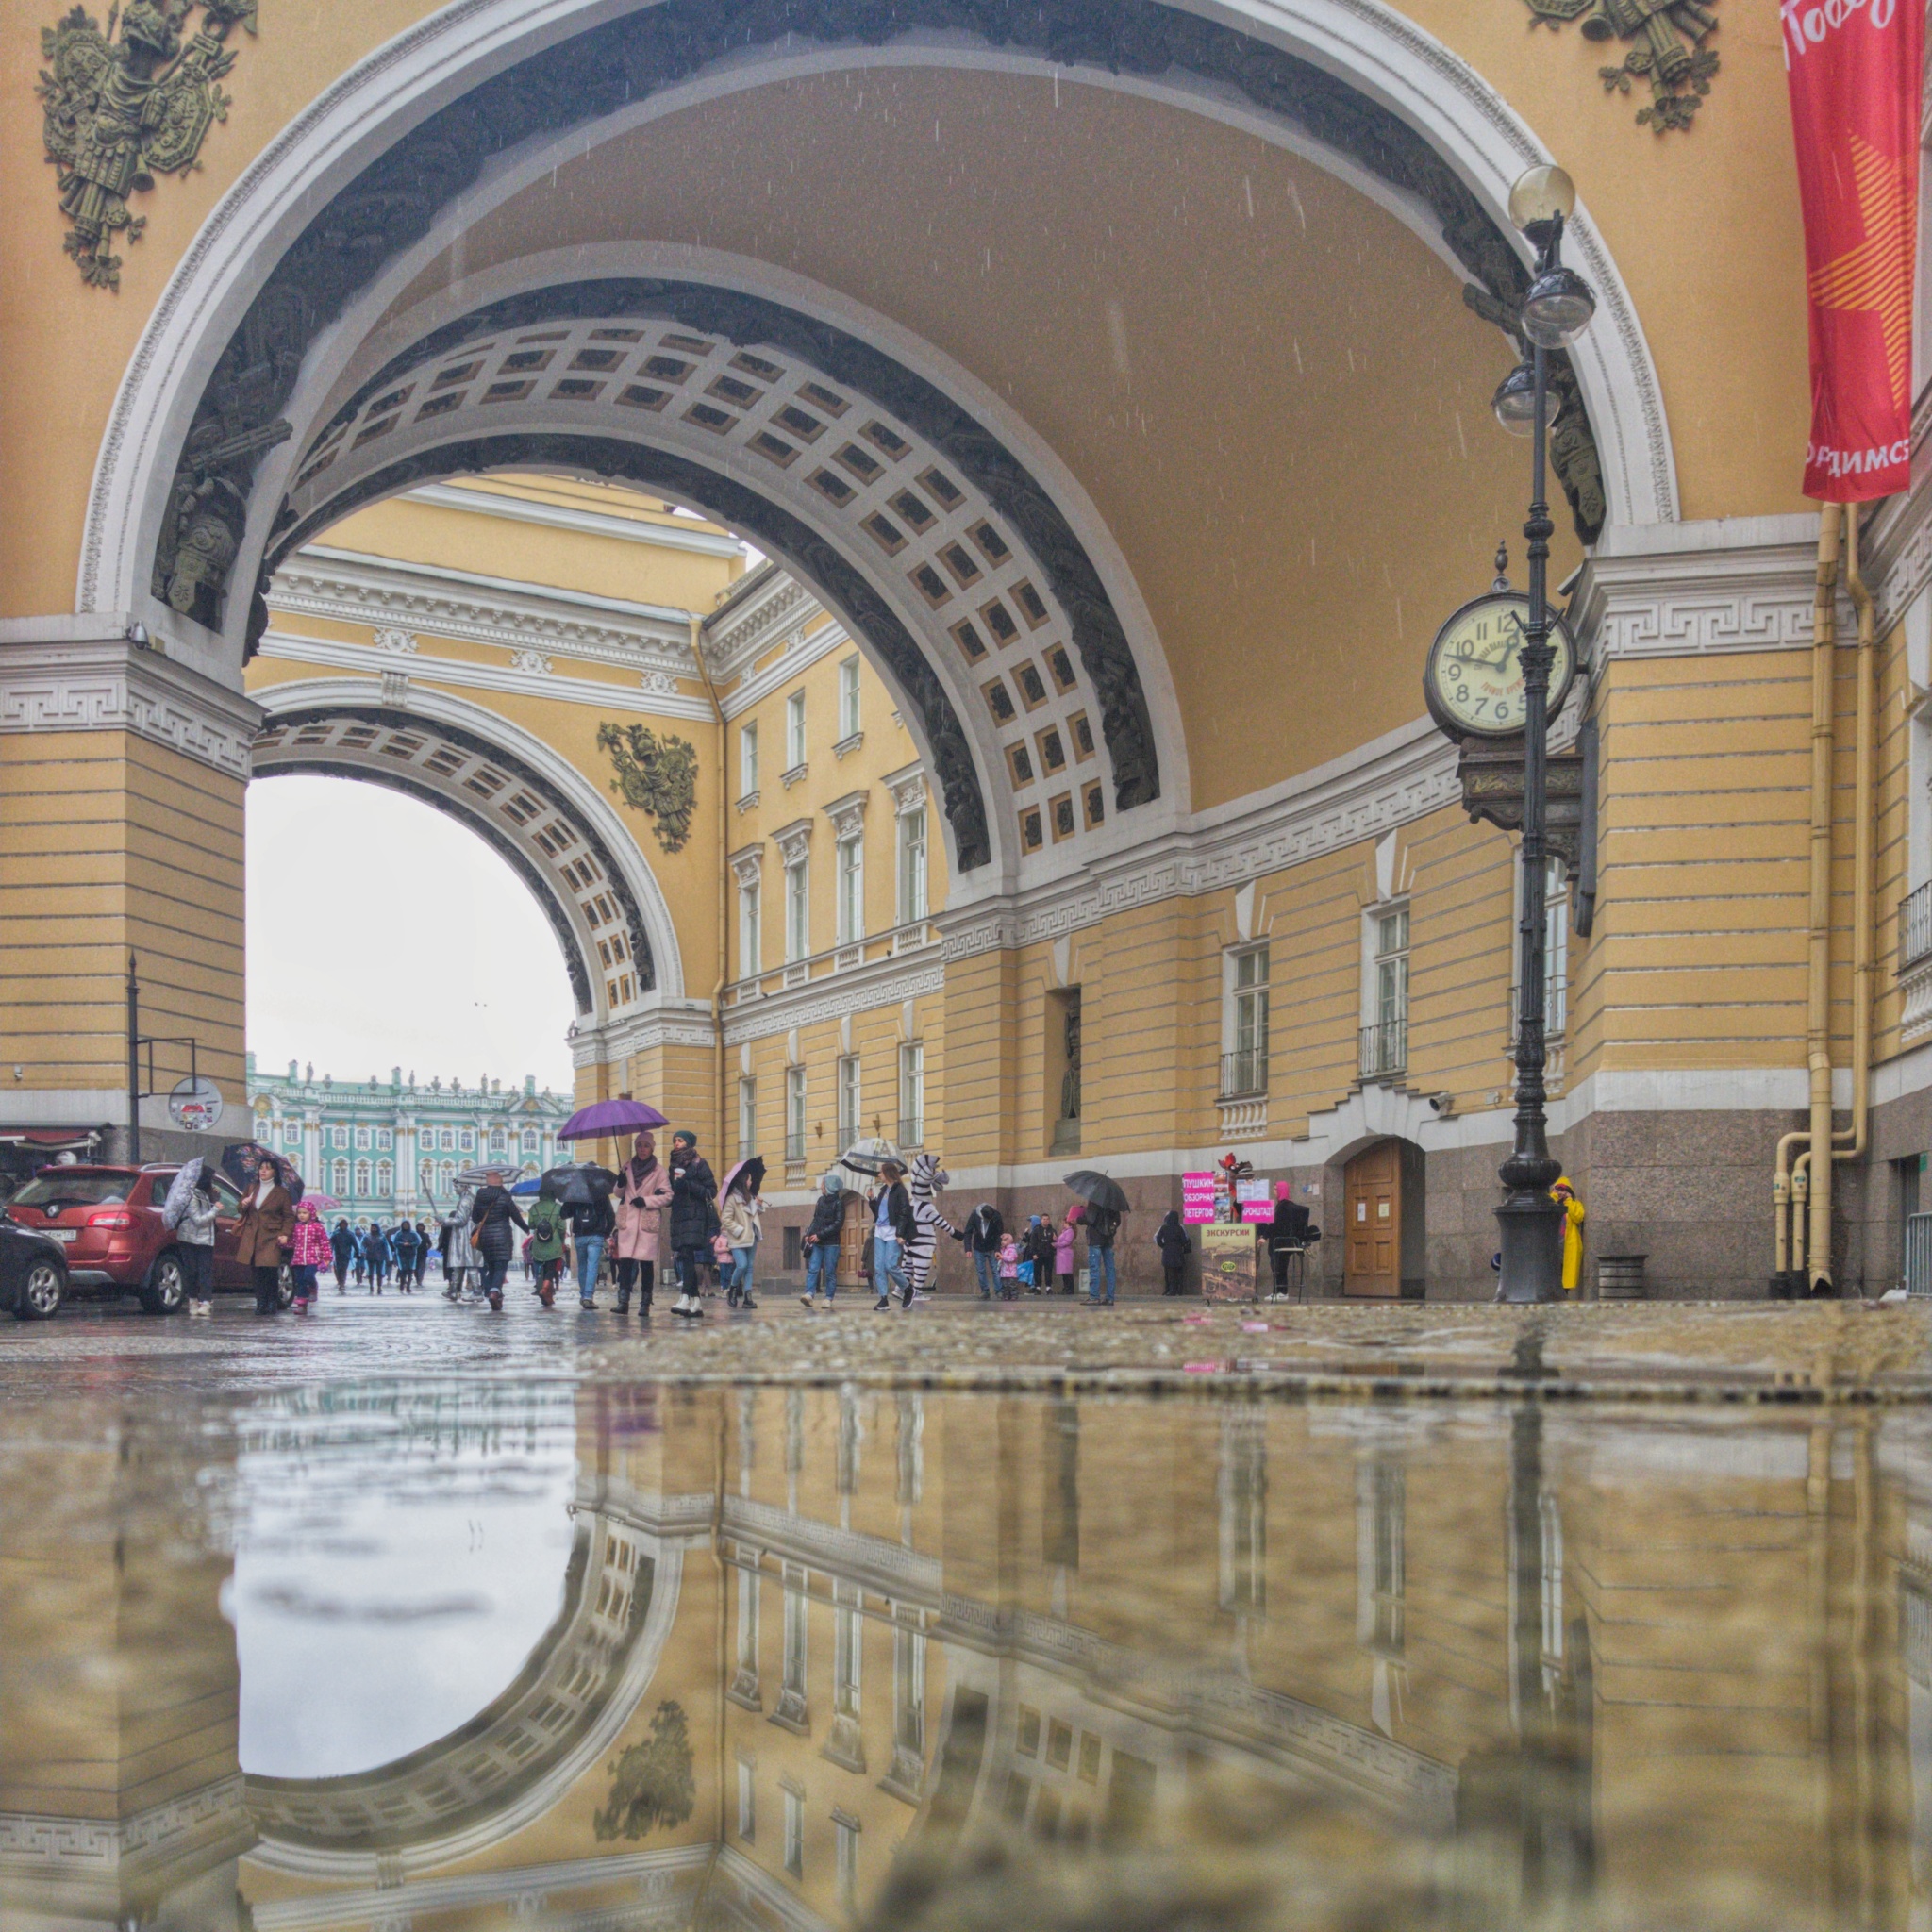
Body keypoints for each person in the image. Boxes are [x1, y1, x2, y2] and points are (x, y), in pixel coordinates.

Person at [613, 1131, 673, 1316]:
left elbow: (668, 1196)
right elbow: (617, 1193)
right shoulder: (627, 1167)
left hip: (647, 1222)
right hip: (629, 1222)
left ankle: (645, 1303)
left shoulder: (659, 1171)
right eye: (639, 1145)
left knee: (646, 1265)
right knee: (625, 1264)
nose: (642, 1149)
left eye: (646, 1146)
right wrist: (620, 1183)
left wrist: (646, 1201)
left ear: (652, 1148)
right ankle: (623, 1301)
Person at [667, 1131, 718, 1319]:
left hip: (696, 1216)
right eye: (675, 1141)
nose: (676, 1144)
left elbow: (711, 1190)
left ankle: (685, 1297)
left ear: (688, 1143)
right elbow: (671, 1191)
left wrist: (688, 1185)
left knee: (687, 1254)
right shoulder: (673, 1164)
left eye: (680, 1140)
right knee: (684, 1255)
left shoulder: (699, 1163)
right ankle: (696, 1303)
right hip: (679, 1215)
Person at [236, 1156, 293, 1315]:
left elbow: (289, 1216)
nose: (263, 1171)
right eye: (261, 1168)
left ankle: (272, 1302)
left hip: (272, 1236)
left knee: (269, 1270)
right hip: (253, 1235)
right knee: (257, 1271)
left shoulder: (282, 1193)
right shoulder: (251, 1188)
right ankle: (260, 1302)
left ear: (274, 1172)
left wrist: (285, 1234)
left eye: (267, 1168)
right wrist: (244, 1204)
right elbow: (239, 1209)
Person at [468, 1168, 528, 1312]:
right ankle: (495, 1292)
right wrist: (527, 1229)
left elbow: (475, 1218)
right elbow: (516, 1217)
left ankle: (490, 1292)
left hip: (486, 1237)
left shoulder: (480, 1196)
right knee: (501, 1266)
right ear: (501, 1182)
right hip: (503, 1236)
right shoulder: (505, 1197)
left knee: (491, 1266)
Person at [164, 1160, 219, 1317]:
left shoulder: (204, 1194)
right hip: (191, 1238)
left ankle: (204, 1302)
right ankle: (196, 1301)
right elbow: (199, 1220)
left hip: (205, 1239)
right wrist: (215, 1210)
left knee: (204, 1271)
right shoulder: (192, 1196)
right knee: (194, 1271)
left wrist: (214, 1198)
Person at [870, 1159, 914, 1311]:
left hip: (893, 1232)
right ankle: (883, 1299)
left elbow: (903, 1213)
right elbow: (879, 1212)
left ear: (888, 1173)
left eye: (881, 1172)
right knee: (878, 1267)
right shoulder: (883, 1190)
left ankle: (908, 1288)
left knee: (890, 1265)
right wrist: (871, 1200)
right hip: (880, 1231)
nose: (879, 1174)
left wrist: (900, 1233)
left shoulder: (900, 1190)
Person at [567, 1177, 615, 1309]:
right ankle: (588, 1297)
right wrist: (607, 1232)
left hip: (580, 1235)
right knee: (592, 1266)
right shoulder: (602, 1194)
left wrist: (570, 1200)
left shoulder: (576, 1194)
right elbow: (611, 1215)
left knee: (582, 1266)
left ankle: (583, 1296)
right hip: (596, 1235)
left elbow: (564, 1213)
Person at [798, 1171, 845, 1307]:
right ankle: (809, 1294)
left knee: (830, 1271)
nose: (821, 1186)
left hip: (832, 1244)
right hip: (817, 1242)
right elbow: (816, 1220)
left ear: (830, 1186)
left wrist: (820, 1235)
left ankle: (828, 1298)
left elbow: (838, 1224)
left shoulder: (839, 1203)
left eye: (823, 1184)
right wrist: (809, 1233)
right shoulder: (820, 1200)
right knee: (813, 1268)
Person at [721, 1172, 762, 1309]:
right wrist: (739, 1230)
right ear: (744, 1181)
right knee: (742, 1265)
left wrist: (759, 1205)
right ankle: (732, 1289)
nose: (751, 1182)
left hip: (752, 1237)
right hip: (738, 1238)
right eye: (749, 1179)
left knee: (749, 1267)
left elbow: (755, 1214)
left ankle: (748, 1298)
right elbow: (725, 1219)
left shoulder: (750, 1197)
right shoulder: (732, 1199)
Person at [526, 1183, 566, 1308]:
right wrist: (561, 1240)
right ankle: (545, 1289)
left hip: (538, 1243)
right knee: (551, 1268)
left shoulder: (534, 1208)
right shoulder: (558, 1208)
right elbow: (562, 1227)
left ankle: (545, 1292)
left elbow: (531, 1225)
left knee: (540, 1268)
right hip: (553, 1243)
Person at [289, 1198, 331, 1311]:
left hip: (313, 1258)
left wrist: (326, 1258)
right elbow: (292, 1242)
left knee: (308, 1276)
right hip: (298, 1259)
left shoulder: (317, 1227)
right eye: (299, 1213)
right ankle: (302, 1305)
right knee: (299, 1281)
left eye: (304, 1213)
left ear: (311, 1213)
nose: (301, 1215)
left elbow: (325, 1242)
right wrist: (283, 1242)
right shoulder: (296, 1227)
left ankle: (313, 1287)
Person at [959, 1201, 1004, 1299]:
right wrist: (968, 1249)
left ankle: (999, 1291)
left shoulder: (996, 1216)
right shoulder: (974, 1215)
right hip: (978, 1247)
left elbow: (999, 1234)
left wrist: (997, 1249)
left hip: (992, 1247)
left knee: (996, 1270)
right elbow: (968, 1232)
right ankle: (985, 1291)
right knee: (981, 1270)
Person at [1083, 1197, 1123, 1306]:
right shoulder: (1113, 1202)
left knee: (1094, 1268)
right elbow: (1117, 1221)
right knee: (1110, 1269)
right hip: (1108, 1240)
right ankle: (1110, 1298)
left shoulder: (1094, 1200)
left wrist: (1077, 1219)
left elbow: (1090, 1219)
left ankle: (1094, 1297)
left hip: (1095, 1239)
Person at [1553, 1175, 1586, 1295]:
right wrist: (1554, 1196)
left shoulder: (1575, 1204)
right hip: (1553, 1243)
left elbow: (1578, 1217)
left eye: (1564, 1190)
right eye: (1558, 1190)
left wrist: (1569, 1202)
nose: (1561, 1193)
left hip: (1568, 1244)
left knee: (1565, 1277)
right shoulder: (1551, 1202)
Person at [1156, 1208, 1192, 1295]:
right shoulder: (1179, 1228)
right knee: (1178, 1272)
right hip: (1177, 1252)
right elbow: (1184, 1240)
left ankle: (1171, 1290)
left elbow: (1158, 1239)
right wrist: (1180, 1245)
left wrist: (1164, 1246)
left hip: (1167, 1251)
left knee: (1169, 1272)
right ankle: (1179, 1290)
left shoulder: (1164, 1228)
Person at [1024, 1214, 1055, 1295]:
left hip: (1048, 1254)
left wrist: (1053, 1251)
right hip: (1038, 1254)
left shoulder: (1052, 1230)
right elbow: (1032, 1242)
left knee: (1048, 1271)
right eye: (1044, 1219)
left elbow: (1055, 1242)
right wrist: (1033, 1253)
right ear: (1041, 1220)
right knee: (1037, 1271)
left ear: (1049, 1220)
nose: (1046, 1221)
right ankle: (1038, 1287)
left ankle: (1048, 1287)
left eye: (1047, 1219)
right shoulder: (1036, 1230)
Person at [1055, 1206, 1082, 1295]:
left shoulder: (1070, 1231)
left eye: (1064, 1222)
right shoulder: (1065, 1231)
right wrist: (1056, 1239)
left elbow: (1066, 1242)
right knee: (1064, 1273)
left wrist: (1056, 1244)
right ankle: (1066, 1288)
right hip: (1062, 1254)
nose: (1063, 1224)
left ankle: (1069, 1289)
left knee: (1067, 1273)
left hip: (1066, 1254)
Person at [392, 1217, 421, 1291]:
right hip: (401, 1254)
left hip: (411, 1254)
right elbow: (395, 1242)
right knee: (402, 1270)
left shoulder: (413, 1233)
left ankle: (408, 1286)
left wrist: (410, 1244)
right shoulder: (398, 1234)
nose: (405, 1226)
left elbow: (418, 1241)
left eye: (407, 1224)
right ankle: (402, 1282)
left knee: (410, 1270)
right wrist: (403, 1244)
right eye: (404, 1224)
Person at [328, 1216, 353, 1293]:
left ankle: (342, 1283)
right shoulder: (336, 1234)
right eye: (342, 1224)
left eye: (344, 1224)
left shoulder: (350, 1234)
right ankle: (340, 1281)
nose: (343, 1226)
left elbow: (355, 1244)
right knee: (338, 1269)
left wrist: (357, 1253)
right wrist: (330, 1250)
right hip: (338, 1254)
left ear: (346, 1225)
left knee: (344, 1269)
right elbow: (331, 1243)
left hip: (346, 1254)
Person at [997, 1230, 1022, 1298]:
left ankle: (1014, 1295)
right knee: (1005, 1285)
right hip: (1004, 1271)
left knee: (1012, 1284)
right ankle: (1006, 1295)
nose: (1002, 1242)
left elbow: (1012, 1258)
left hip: (1011, 1272)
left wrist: (1002, 1257)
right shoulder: (1002, 1249)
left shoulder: (1012, 1249)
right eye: (1002, 1240)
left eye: (1004, 1240)